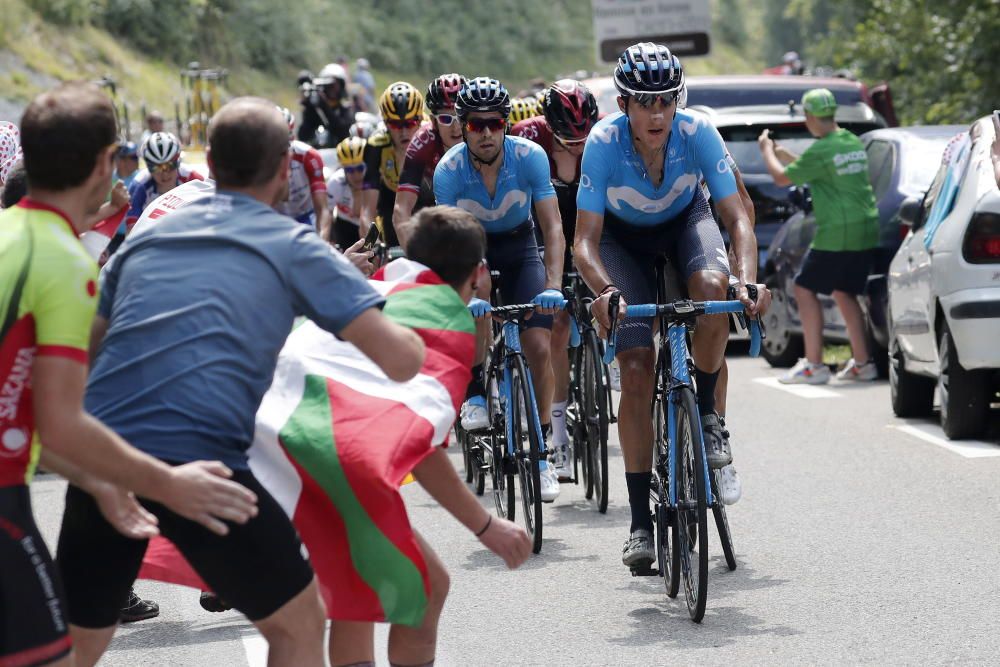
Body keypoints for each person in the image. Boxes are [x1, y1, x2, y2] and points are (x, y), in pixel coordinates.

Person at [55, 97, 426, 667]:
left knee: (78, 647)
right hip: (202, 466)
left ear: (212, 165)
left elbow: (90, 352)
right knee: (299, 625)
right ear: (283, 168)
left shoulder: (144, 244)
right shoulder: (291, 244)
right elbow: (400, 361)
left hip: (103, 462)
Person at [0, 81, 258, 667]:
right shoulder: (64, 262)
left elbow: (39, 420)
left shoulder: (14, 235)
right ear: (99, 165)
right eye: (120, 155)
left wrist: (103, 484)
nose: (126, 171)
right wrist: (169, 485)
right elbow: (63, 426)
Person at [573, 43, 764, 569]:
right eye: (643, 102)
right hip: (622, 242)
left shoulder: (697, 132)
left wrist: (747, 281)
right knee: (636, 368)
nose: (656, 114)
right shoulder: (603, 143)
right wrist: (605, 292)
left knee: (712, 287)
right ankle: (639, 523)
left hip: (685, 223)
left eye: (665, 101)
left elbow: (737, 219)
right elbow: (584, 242)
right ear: (622, 104)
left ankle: (705, 415)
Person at [327, 205, 532, 667]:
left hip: (288, 435)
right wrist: (486, 526)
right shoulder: (444, 320)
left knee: (367, 594)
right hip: (323, 450)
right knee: (420, 586)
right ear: (479, 275)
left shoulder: (386, 279)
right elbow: (423, 453)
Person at [434, 76, 566, 502]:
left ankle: (543, 452)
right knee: (481, 292)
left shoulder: (530, 157)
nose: (486, 133)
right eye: (475, 125)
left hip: (521, 245)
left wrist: (553, 284)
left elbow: (553, 227)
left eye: (494, 123)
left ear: (506, 123)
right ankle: (474, 390)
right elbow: (450, 243)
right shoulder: (449, 171)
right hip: (473, 248)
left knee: (540, 347)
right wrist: (464, 295)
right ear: (463, 125)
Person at [510, 78, 599, 479]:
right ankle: (558, 434)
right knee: (558, 325)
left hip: (588, 225)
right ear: (547, 124)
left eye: (584, 136)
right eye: (567, 137)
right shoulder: (527, 139)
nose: (578, 145)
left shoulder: (603, 139)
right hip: (543, 231)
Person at [759, 88, 879, 384]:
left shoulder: (822, 149)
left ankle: (814, 364)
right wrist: (787, 155)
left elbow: (780, 178)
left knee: (803, 289)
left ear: (810, 117)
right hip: (866, 227)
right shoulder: (849, 141)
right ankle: (863, 364)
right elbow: (822, 168)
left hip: (837, 230)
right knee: (843, 291)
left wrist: (766, 150)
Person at [393, 73, 467, 246]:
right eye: (446, 119)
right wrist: (414, 256)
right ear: (433, 121)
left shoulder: (481, 134)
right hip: (432, 199)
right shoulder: (422, 142)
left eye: (460, 117)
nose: (455, 127)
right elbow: (401, 209)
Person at [360, 81, 424, 247]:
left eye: (410, 123)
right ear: (385, 123)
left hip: (427, 203)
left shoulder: (432, 138)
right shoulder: (376, 146)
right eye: (395, 124)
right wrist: (372, 248)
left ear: (421, 119)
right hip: (391, 204)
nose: (403, 131)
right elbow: (367, 211)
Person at [124, 132, 204, 230]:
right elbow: (131, 231)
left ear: (179, 162)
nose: (164, 174)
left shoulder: (194, 179)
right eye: (156, 168)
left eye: (170, 165)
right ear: (148, 167)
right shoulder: (138, 186)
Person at [276, 107, 333, 237]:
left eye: (288, 136)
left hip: (306, 217)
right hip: (275, 219)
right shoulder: (258, 160)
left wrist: (322, 241)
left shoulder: (309, 155)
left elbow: (322, 209)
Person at [298, 63, 355, 148]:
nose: (332, 89)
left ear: (341, 86)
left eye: (335, 85)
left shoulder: (345, 109)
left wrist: (324, 106)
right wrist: (308, 107)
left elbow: (343, 132)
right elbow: (303, 136)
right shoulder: (315, 110)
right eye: (328, 85)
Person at [327, 136, 367, 248]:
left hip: (372, 224)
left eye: (360, 168)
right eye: (350, 170)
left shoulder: (377, 178)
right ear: (343, 169)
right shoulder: (335, 182)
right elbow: (326, 214)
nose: (356, 175)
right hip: (345, 226)